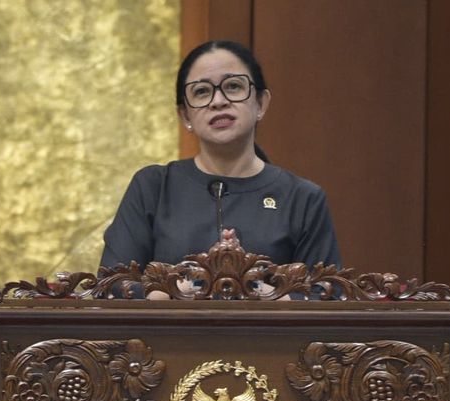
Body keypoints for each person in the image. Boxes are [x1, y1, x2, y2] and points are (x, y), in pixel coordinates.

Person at [100, 40, 341, 297]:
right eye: (202, 91)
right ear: (185, 115)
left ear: (261, 103)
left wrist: (256, 290)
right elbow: (112, 286)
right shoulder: (153, 187)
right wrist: (182, 292)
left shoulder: (303, 198)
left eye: (233, 86)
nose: (218, 101)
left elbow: (327, 296)